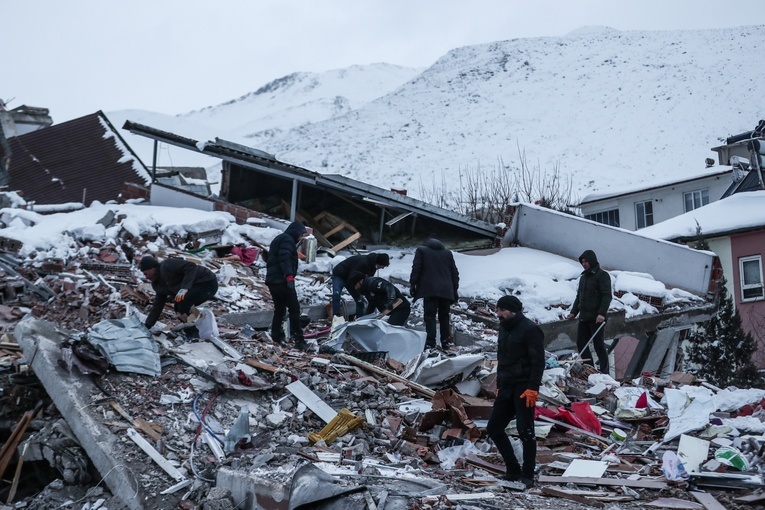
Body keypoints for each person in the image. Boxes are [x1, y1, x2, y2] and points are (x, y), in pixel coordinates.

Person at [486, 295, 544, 489]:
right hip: (507, 385)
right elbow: (501, 357)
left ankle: (528, 475)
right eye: (497, 310)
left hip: (523, 387)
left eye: (502, 310)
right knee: (494, 428)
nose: (498, 314)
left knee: (525, 430)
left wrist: (533, 388)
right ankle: (512, 470)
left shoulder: (530, 330)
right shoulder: (503, 328)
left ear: (513, 310)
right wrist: (499, 384)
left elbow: (538, 361)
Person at [140, 255, 219, 333]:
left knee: (183, 303)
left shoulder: (167, 265)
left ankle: (193, 333)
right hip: (193, 287)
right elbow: (158, 305)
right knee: (178, 308)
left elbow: (191, 267)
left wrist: (185, 287)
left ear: (152, 268)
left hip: (207, 282)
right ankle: (193, 331)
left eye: (145, 273)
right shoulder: (157, 284)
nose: (146, 277)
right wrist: (147, 325)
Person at [409, 233, 460, 349]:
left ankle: (431, 342)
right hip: (446, 290)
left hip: (430, 290)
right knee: (444, 316)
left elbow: (416, 268)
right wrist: (454, 290)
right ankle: (446, 342)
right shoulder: (447, 253)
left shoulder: (422, 251)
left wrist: (413, 284)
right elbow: (454, 274)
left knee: (430, 316)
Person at [566, 249, 612, 374]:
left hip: (596, 317)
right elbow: (579, 297)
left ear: (592, 260)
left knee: (598, 345)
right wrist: (573, 312)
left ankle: (604, 372)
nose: (584, 263)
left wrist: (602, 313)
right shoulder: (583, 278)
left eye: (586, 261)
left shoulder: (602, 275)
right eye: (582, 262)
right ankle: (590, 369)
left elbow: (607, 296)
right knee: (581, 344)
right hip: (584, 317)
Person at [265, 221, 309, 350]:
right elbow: (284, 257)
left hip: (273, 280)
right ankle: (299, 341)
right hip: (282, 280)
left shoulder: (280, 239)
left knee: (280, 310)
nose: (300, 238)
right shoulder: (287, 240)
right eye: (300, 235)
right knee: (294, 310)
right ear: (295, 232)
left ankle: (276, 336)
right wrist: (289, 275)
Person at [331, 252, 390, 320]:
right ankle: (336, 317)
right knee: (336, 294)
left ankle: (360, 321)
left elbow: (367, 283)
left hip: (352, 278)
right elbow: (351, 281)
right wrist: (357, 293)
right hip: (340, 275)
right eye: (382, 266)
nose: (382, 268)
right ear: (378, 262)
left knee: (360, 301)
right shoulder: (362, 263)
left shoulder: (373, 267)